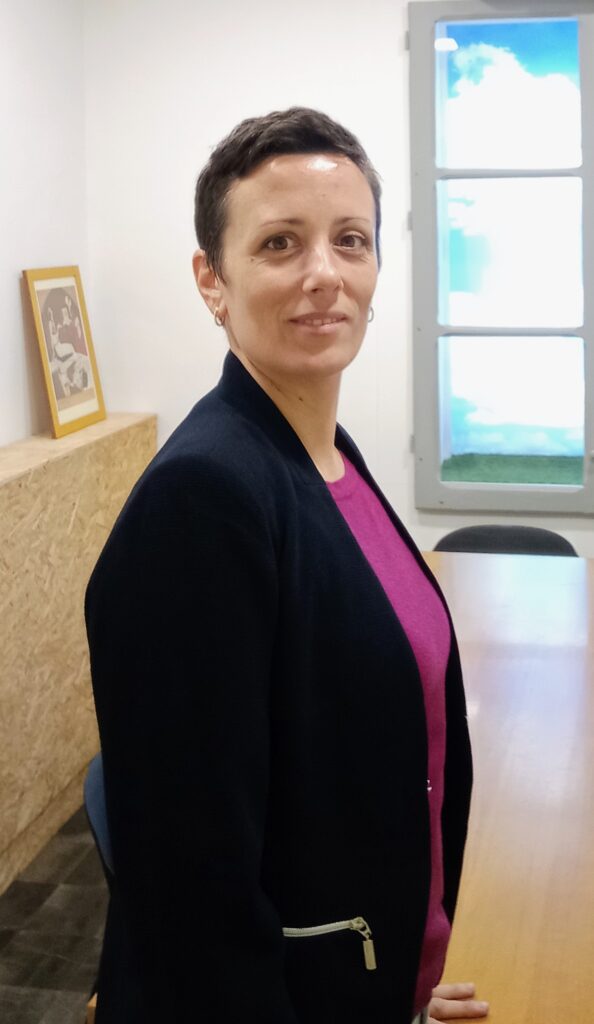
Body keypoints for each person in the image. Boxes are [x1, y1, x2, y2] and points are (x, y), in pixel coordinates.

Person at [85, 107, 488, 1024]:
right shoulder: (201, 502)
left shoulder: (328, 454)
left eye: (351, 240)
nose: (324, 274)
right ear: (212, 279)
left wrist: (410, 970)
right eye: (279, 243)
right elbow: (194, 893)